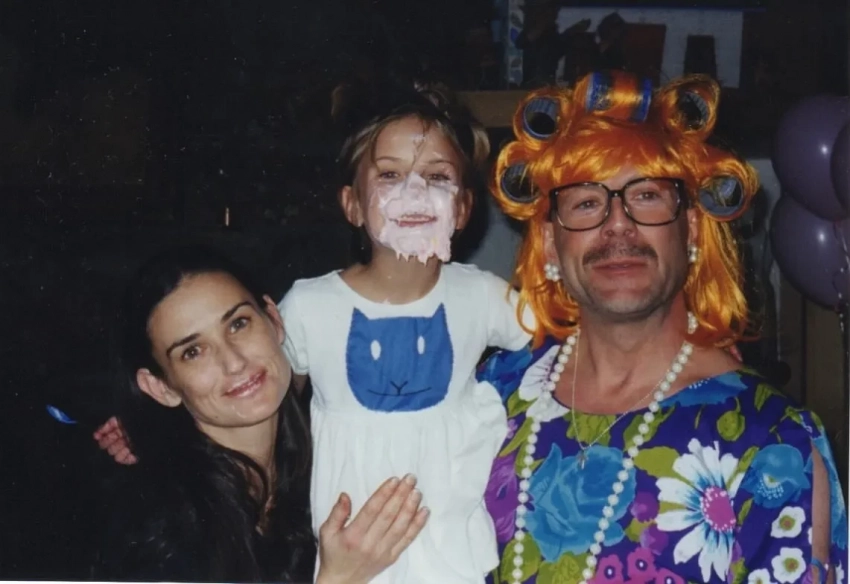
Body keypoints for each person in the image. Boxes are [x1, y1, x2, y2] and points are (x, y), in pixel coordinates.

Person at [479, 71, 848, 584]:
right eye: (586, 203)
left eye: (647, 196)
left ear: (691, 229)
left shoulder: (770, 439)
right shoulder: (490, 397)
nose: (618, 225)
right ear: (548, 244)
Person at [277, 86, 534, 584]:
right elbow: (259, 403)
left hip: (453, 556)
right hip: (352, 558)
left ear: (463, 207)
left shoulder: (482, 297)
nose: (415, 192)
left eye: (437, 176)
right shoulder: (310, 306)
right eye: (390, 175)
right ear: (353, 204)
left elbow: (565, 344)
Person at [91, 246, 428, 582]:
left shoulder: (330, 459)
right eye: (193, 352)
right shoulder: (154, 527)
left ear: (274, 320)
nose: (234, 362)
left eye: (238, 324)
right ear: (160, 387)